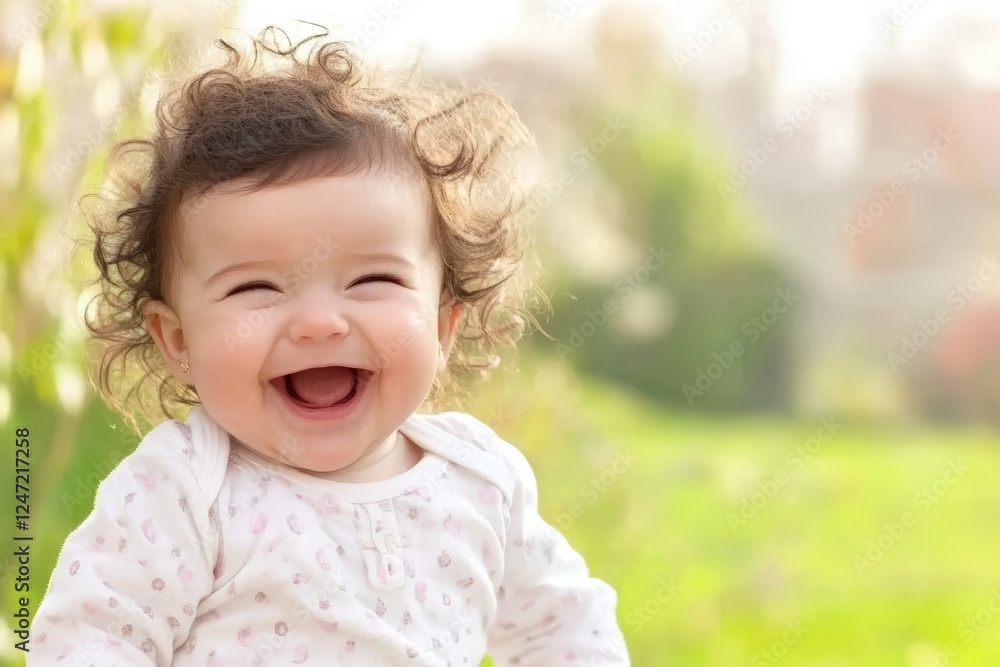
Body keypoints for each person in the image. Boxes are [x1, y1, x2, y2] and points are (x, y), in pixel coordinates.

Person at [28, 25, 629, 667]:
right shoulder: (185, 490)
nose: (318, 322)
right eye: (256, 287)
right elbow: (92, 637)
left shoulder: (482, 482)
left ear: (442, 325)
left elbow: (563, 630)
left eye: (372, 279)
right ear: (179, 340)